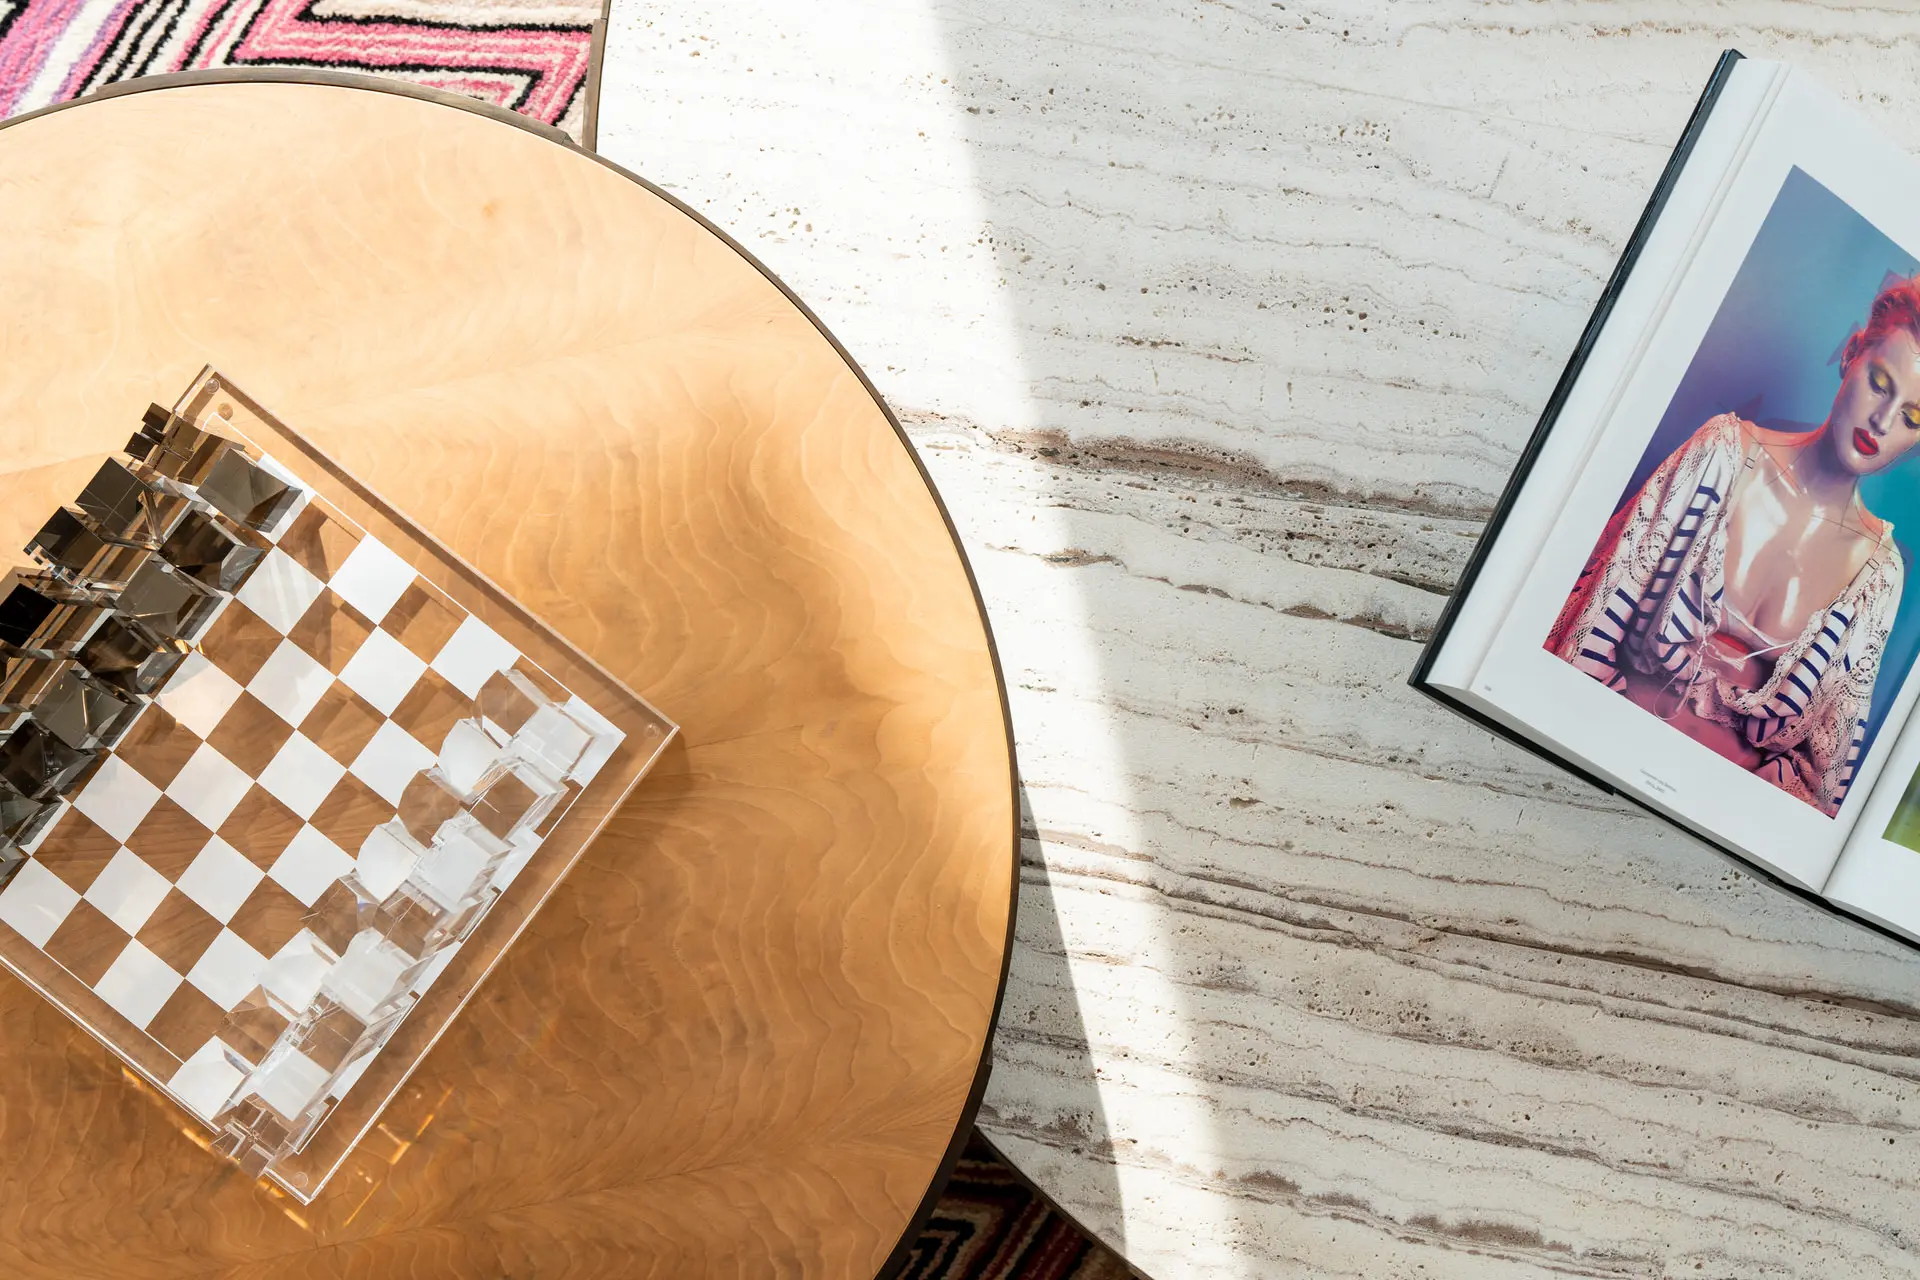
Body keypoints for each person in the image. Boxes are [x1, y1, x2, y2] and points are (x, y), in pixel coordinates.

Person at [1547, 275, 1920, 816]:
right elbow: (1591, 622)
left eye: (1913, 416)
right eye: (1881, 383)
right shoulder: (1721, 455)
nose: (1882, 422)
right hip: (1590, 765)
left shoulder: (1878, 574)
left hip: (1718, 824)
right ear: (1852, 353)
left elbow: (1822, 781)